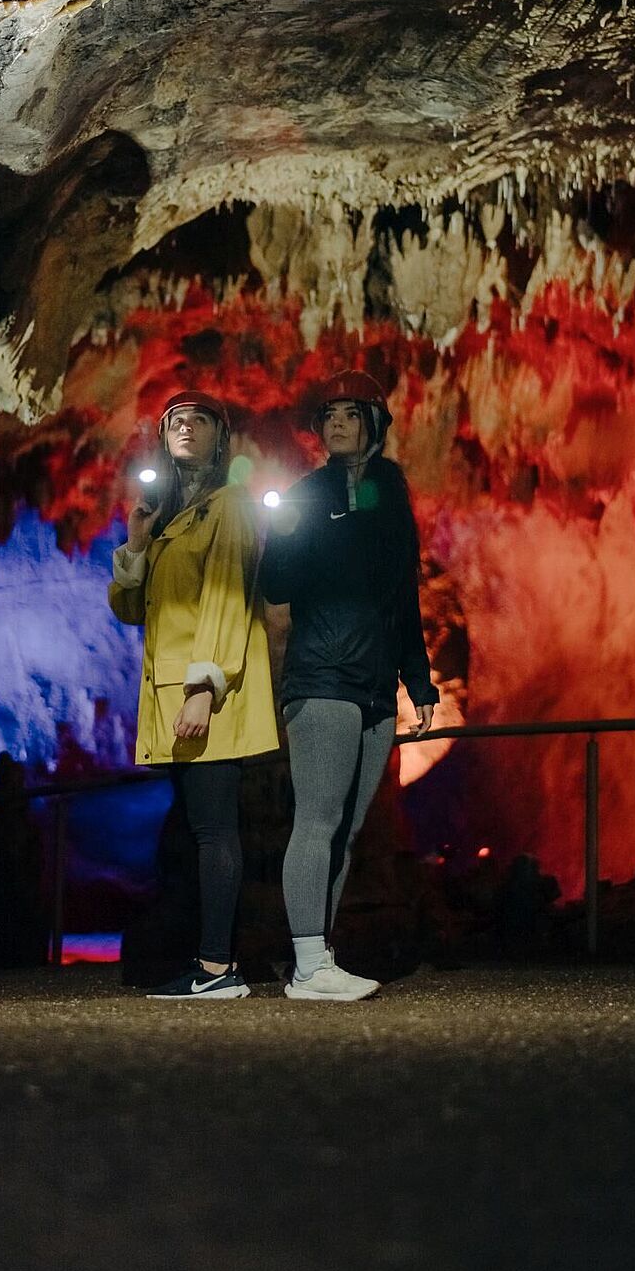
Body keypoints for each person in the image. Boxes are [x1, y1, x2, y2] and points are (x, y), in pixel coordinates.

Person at [261, 371, 438, 1001]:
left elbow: (402, 596)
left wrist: (417, 682)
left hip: (374, 687)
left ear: (373, 421)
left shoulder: (389, 491)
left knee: (348, 829)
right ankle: (309, 964)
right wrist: (281, 534)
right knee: (317, 819)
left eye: (349, 413)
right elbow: (278, 585)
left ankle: (319, 957)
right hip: (323, 677)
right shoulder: (308, 493)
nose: (335, 422)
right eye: (328, 413)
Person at [109, 389, 278, 999]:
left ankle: (217, 970)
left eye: (198, 421)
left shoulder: (229, 505)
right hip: (172, 697)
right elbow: (133, 608)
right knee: (194, 831)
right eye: (176, 421)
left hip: (208, 695)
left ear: (219, 435)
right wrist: (135, 543)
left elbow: (226, 598)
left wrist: (204, 688)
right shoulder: (168, 518)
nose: (185, 428)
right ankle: (204, 962)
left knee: (213, 830)